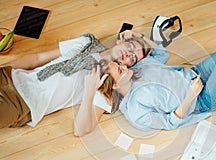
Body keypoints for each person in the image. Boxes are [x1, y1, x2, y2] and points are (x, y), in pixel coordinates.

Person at [0, 32, 151, 135]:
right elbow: (38, 58)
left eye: (133, 57)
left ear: (131, 65)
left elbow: (81, 130)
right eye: (130, 47)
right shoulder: (86, 43)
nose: (128, 54)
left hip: (21, 104)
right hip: (10, 76)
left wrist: (90, 90)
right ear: (122, 40)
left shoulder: (107, 84)